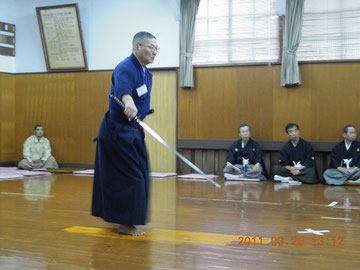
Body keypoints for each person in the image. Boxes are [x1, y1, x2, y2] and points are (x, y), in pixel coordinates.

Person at [92, 32, 158, 236]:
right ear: (137, 47)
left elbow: (141, 100)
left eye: (157, 48)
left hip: (133, 131)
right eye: (151, 47)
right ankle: (125, 223)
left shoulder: (147, 74)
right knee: (131, 177)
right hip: (116, 131)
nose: (154, 52)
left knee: (142, 174)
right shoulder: (125, 67)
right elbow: (123, 91)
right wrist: (128, 103)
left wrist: (142, 114)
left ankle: (126, 219)